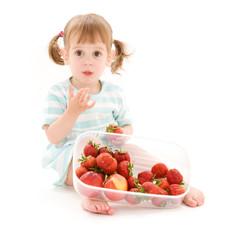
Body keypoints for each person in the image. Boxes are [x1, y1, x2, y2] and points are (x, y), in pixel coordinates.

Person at [42, 13, 204, 215]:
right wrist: (72, 112)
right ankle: (90, 196)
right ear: (65, 54)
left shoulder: (114, 92)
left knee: (137, 153)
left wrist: (121, 135)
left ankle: (178, 187)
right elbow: (53, 137)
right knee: (90, 159)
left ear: (109, 57)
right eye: (79, 53)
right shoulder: (57, 92)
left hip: (110, 154)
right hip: (72, 157)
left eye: (97, 54)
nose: (88, 62)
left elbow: (127, 127)